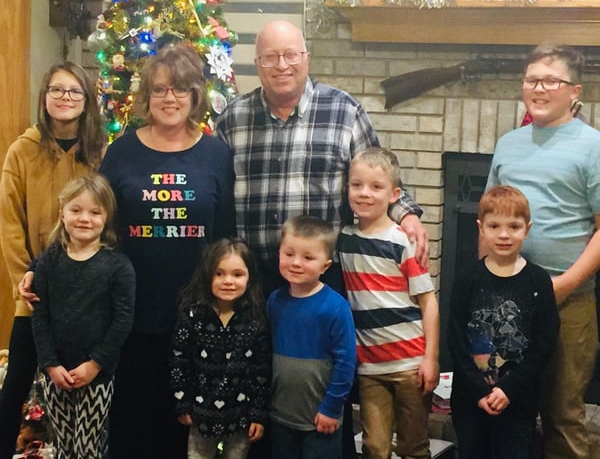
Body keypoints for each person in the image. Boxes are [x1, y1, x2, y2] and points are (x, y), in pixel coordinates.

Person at [215, 18, 428, 459]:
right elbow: (214, 192)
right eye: (270, 57)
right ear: (257, 64)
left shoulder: (344, 111)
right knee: (264, 378)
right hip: (256, 279)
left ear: (306, 57)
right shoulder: (232, 119)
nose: (282, 64)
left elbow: (380, 178)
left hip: (322, 281)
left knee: (324, 378)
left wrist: (407, 215)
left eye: (291, 54)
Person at [98, 43, 236, 459]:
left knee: (187, 435)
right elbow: (96, 226)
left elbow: (226, 235)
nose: (169, 99)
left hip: (196, 317)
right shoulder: (122, 151)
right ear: (146, 97)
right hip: (132, 315)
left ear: (195, 96)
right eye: (159, 90)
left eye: (179, 90)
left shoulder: (215, 153)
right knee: (133, 430)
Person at [486, 43, 600, 459]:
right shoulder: (508, 143)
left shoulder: (593, 146)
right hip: (507, 296)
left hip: (566, 299)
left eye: (551, 80)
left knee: (563, 414)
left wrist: (565, 284)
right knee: (505, 405)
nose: (539, 87)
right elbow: (489, 217)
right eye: (532, 79)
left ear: (575, 91)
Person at [0, 61, 105, 459]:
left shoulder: (99, 152)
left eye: (74, 91)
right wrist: (25, 276)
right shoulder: (22, 151)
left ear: (86, 101)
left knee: (83, 387)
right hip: (35, 293)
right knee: (16, 387)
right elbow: (9, 221)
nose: (65, 98)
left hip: (84, 293)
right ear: (44, 98)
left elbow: (104, 217)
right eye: (57, 90)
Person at [337, 147, 439, 459]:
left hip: (410, 364)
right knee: (374, 447)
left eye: (376, 187)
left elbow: (428, 301)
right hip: (370, 367)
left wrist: (431, 358)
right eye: (357, 185)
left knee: (413, 446)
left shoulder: (402, 242)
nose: (364, 193)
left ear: (394, 194)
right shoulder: (343, 239)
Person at [448, 185, 560, 459]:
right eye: (495, 226)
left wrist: (508, 389)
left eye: (514, 226)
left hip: (517, 400)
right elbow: (454, 337)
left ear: (527, 229)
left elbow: (544, 342)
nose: (504, 234)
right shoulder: (467, 278)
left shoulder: (538, 281)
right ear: (481, 228)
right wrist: (479, 389)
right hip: (470, 400)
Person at [30, 174, 135, 458]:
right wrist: (50, 365)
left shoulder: (118, 266)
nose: (84, 218)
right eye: (76, 210)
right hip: (56, 373)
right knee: (64, 446)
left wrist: (95, 364)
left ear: (107, 217)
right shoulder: (48, 260)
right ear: (62, 212)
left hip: (96, 375)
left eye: (94, 212)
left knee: (88, 447)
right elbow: (40, 316)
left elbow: (122, 321)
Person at [170, 238, 271, 459]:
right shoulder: (192, 315)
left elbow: (260, 371)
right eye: (219, 273)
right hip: (200, 416)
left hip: (241, 418)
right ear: (207, 275)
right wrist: (182, 403)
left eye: (237, 274)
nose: (228, 281)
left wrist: (258, 414)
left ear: (249, 277)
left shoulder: (255, 319)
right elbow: (180, 362)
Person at [268, 215, 356, 459]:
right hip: (280, 416)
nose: (296, 263)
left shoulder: (335, 307)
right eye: (289, 254)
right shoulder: (274, 302)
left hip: (320, 419)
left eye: (308, 258)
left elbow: (346, 363)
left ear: (325, 266)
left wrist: (331, 408)